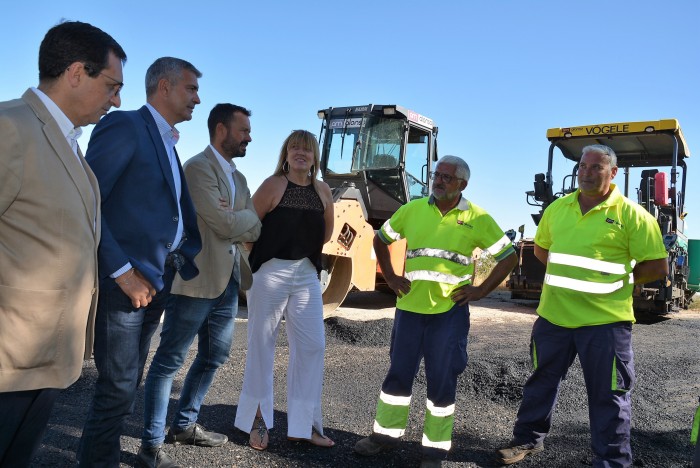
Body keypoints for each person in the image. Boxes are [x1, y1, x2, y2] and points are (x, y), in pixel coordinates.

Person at [495, 144, 669, 467]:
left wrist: (622, 282)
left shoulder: (632, 216)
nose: (586, 173)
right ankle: (527, 440)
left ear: (612, 173)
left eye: (595, 168)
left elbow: (657, 266)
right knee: (541, 382)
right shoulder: (557, 210)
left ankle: (612, 461)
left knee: (609, 396)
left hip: (605, 323)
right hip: (554, 319)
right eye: (582, 167)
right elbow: (541, 252)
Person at [0, 20, 125, 467]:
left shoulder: (69, 144)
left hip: (43, 357)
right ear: (76, 73)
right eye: (111, 86)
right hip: (9, 359)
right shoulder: (9, 128)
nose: (117, 100)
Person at [77, 57, 203, 467]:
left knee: (127, 386)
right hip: (124, 283)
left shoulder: (168, 141)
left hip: (156, 280)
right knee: (116, 388)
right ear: (164, 87)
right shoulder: (125, 126)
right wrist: (121, 271)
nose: (197, 99)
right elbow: (88, 202)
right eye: (191, 89)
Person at [353, 155, 518, 468]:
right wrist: (389, 275)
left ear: (462, 185)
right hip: (409, 311)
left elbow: (508, 256)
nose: (438, 181)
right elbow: (380, 239)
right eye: (436, 174)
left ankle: (435, 451)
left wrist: (481, 290)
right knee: (398, 376)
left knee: (442, 381)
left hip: (449, 315)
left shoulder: (477, 217)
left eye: (446, 177)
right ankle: (384, 436)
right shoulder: (412, 210)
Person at [139, 104, 261, 466]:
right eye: (244, 130)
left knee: (214, 356)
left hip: (228, 282)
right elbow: (227, 227)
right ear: (221, 130)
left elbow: (254, 224)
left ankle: (185, 424)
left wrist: (236, 217)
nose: (249, 137)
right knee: (169, 361)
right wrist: (238, 219)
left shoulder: (238, 178)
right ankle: (150, 446)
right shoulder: (196, 169)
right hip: (194, 282)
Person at [234, 130, 335, 451]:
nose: (300, 153)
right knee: (262, 346)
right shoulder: (273, 185)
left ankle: (304, 426)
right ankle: (258, 421)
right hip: (270, 274)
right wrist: (263, 258)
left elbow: (327, 233)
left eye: (306, 148)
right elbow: (248, 228)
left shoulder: (323, 191)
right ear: (286, 153)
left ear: (315, 156)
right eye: (295, 147)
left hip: (306, 275)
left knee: (313, 347)